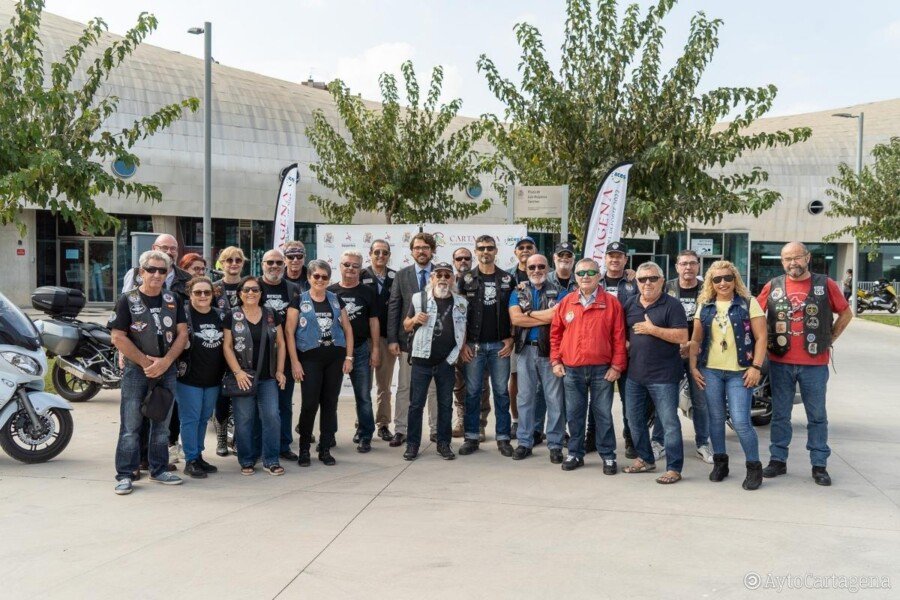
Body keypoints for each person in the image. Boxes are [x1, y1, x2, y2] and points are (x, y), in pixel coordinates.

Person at [757, 242, 852, 486]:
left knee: (817, 416)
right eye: (787, 259)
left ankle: (819, 464)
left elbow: (846, 313)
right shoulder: (773, 285)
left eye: (797, 258)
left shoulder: (825, 284)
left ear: (807, 258)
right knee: (780, 415)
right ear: (781, 262)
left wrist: (829, 338)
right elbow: (755, 314)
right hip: (780, 363)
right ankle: (778, 460)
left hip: (814, 364)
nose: (792, 263)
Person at [109, 250, 189, 495]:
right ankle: (125, 474)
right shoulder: (126, 300)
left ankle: (158, 469)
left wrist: (165, 362)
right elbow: (118, 337)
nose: (156, 274)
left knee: (161, 425)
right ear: (141, 272)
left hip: (166, 372)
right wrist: (146, 362)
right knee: (131, 425)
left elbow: (183, 334)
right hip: (136, 372)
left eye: (162, 270)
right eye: (151, 269)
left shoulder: (173, 299)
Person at [689, 261, 767, 490]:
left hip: (740, 373)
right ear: (711, 283)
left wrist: (756, 367)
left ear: (735, 279)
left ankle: (754, 467)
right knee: (715, 419)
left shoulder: (748, 303)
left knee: (741, 421)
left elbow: (762, 337)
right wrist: (693, 367)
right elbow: (696, 340)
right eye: (717, 279)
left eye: (727, 278)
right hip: (710, 371)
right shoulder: (704, 306)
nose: (722, 283)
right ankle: (720, 463)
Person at [550, 258, 627, 471]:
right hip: (572, 369)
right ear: (575, 277)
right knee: (574, 414)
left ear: (599, 276)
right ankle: (575, 453)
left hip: (602, 370)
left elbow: (619, 337)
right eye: (581, 273)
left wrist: (617, 366)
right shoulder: (566, 302)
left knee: (602, 414)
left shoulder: (611, 303)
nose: (585, 277)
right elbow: (555, 334)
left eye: (590, 273)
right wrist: (556, 360)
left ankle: (608, 455)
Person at [622, 262, 689, 484]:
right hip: (635, 375)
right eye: (642, 279)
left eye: (652, 278)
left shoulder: (672, 305)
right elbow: (624, 335)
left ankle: (674, 468)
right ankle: (645, 458)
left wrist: (653, 330)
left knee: (669, 423)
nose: (647, 283)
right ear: (637, 282)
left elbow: (682, 337)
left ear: (662, 280)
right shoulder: (630, 304)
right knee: (634, 420)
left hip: (664, 376)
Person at [286, 260, 354, 467]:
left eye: (324, 277)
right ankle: (304, 449)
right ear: (309, 278)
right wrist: (295, 362)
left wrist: (349, 357)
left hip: (334, 357)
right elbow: (289, 332)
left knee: (329, 404)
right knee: (309, 404)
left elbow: (348, 329)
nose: (320, 280)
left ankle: (325, 448)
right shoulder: (299, 300)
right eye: (316, 276)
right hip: (309, 357)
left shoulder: (336, 300)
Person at [222, 275, 288, 476]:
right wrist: (238, 372)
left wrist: (279, 370)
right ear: (240, 293)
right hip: (242, 376)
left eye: (255, 290)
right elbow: (227, 346)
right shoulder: (231, 315)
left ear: (261, 293)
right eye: (246, 290)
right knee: (244, 419)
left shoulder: (271, 314)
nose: (251, 293)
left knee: (272, 417)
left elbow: (282, 343)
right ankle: (247, 459)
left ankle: (271, 459)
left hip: (268, 376)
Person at [402, 263, 468, 460]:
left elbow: (462, 331)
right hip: (422, 360)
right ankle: (412, 444)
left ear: (453, 279)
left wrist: (455, 356)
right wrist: (414, 320)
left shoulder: (462, 302)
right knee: (416, 405)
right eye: (438, 275)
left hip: (446, 362)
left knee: (445, 404)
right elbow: (406, 325)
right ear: (431, 278)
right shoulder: (419, 298)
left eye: (447, 275)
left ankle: (443, 443)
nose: (443, 279)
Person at [458, 234, 515, 456]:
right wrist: (462, 344)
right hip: (474, 346)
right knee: (472, 392)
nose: (485, 251)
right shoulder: (466, 280)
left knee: (501, 392)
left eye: (489, 247)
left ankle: (503, 438)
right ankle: (471, 437)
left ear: (496, 250)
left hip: (500, 346)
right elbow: (459, 316)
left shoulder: (507, 280)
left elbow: (515, 313)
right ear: (476, 251)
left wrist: (512, 338)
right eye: (481, 248)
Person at [509, 254, 568, 462]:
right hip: (525, 351)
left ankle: (555, 444)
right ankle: (524, 442)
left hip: (551, 351)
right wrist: (542, 316)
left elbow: (556, 317)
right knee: (525, 398)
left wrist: (530, 314)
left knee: (554, 399)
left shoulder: (560, 291)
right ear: (526, 269)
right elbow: (515, 318)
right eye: (532, 266)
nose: (536, 270)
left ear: (547, 267)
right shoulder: (519, 290)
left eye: (541, 266)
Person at [595, 241, 650, 460]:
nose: (615, 259)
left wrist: (630, 340)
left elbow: (641, 310)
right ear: (605, 259)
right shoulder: (593, 280)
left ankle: (631, 439)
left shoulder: (634, 282)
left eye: (619, 256)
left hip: (628, 349)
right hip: (599, 349)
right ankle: (594, 437)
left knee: (630, 400)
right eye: (611, 256)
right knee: (598, 400)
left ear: (626, 259)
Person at [386, 233, 439, 447]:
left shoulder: (441, 273)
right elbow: (394, 307)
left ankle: (436, 429)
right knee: (405, 387)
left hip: (436, 343)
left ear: (432, 250)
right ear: (412, 251)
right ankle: (401, 429)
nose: (421, 251)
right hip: (408, 341)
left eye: (426, 247)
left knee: (435, 389)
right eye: (417, 247)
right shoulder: (402, 275)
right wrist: (392, 338)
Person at [174, 276, 226, 479]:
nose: (203, 296)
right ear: (190, 294)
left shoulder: (221, 316)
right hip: (188, 378)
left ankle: (199, 455)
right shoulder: (183, 316)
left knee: (204, 418)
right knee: (190, 419)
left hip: (213, 378)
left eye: (207, 292)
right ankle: (191, 459)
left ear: (213, 294)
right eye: (198, 292)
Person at [328, 250, 380, 452]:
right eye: (346, 264)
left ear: (361, 268)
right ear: (340, 266)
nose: (350, 268)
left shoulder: (368, 292)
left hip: (360, 350)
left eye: (355, 266)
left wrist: (375, 349)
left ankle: (365, 435)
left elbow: (374, 322)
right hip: (334, 351)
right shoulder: (330, 292)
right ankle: (329, 433)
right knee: (330, 396)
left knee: (363, 396)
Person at [665, 249, 712, 463]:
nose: (688, 268)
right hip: (671, 353)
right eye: (684, 263)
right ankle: (661, 443)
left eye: (692, 263)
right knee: (666, 400)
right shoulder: (666, 288)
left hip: (700, 354)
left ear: (698, 266)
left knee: (700, 401)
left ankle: (703, 443)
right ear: (677, 266)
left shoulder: (708, 289)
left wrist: (694, 344)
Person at [259, 248, 301, 462]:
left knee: (284, 403)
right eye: (270, 262)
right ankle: (258, 446)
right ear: (262, 264)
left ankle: (284, 445)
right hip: (258, 356)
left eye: (278, 262)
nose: (274, 266)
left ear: (284, 265)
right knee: (260, 404)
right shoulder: (253, 286)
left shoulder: (294, 289)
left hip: (284, 353)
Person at [451, 247, 490, 441]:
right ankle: (461, 420)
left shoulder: (479, 279)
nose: (463, 261)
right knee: (458, 384)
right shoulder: (447, 281)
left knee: (480, 384)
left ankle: (480, 424)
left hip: (477, 341)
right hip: (454, 344)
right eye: (459, 258)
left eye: (467, 258)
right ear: (454, 261)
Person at [211, 246, 246, 456]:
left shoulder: (250, 285)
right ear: (222, 264)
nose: (233, 264)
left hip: (245, 351)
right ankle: (222, 438)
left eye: (238, 260)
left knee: (243, 397)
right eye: (229, 260)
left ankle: (240, 438)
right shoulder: (214, 288)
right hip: (218, 351)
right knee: (222, 397)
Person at [361, 239, 397, 442]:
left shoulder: (395, 277)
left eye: (384, 252)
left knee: (384, 385)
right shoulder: (360, 274)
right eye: (377, 252)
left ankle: (383, 424)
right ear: (370, 253)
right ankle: (362, 423)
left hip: (386, 338)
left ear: (389, 254)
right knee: (363, 385)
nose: (380, 256)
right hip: (364, 339)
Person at [507, 236, 536, 438]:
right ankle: (517, 421)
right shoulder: (507, 277)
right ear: (515, 252)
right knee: (516, 379)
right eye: (521, 247)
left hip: (542, 337)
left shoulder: (545, 273)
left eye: (529, 247)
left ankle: (539, 424)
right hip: (514, 336)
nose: (525, 250)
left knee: (545, 384)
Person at [122, 233, 191, 298]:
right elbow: (126, 301)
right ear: (154, 248)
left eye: (173, 248)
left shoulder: (186, 278)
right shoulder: (135, 274)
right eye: (164, 248)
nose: (169, 252)